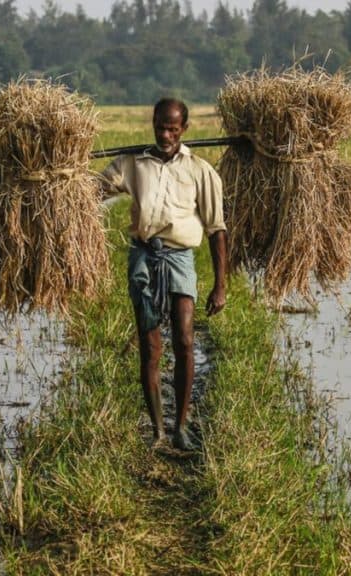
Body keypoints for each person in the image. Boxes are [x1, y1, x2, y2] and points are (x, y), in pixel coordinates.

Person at [100, 98, 228, 451]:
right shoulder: (132, 163)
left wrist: (221, 285)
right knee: (151, 347)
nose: (166, 134)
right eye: (161, 126)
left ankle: (181, 427)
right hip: (143, 258)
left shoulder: (200, 171)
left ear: (184, 129)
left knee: (185, 341)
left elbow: (217, 229)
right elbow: (94, 191)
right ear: (153, 123)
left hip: (180, 258)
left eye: (173, 128)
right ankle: (158, 430)